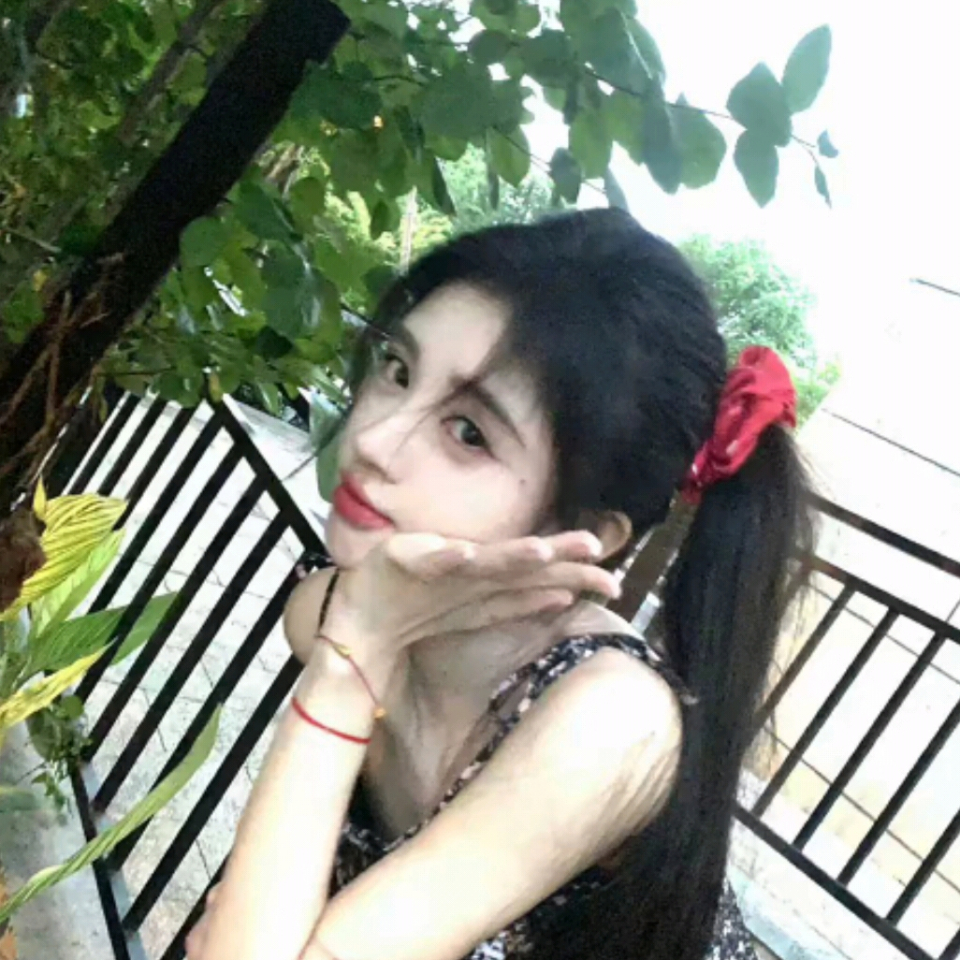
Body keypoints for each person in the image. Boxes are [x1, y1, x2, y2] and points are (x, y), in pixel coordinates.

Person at [186, 209, 811, 960]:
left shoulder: (610, 720)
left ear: (588, 532)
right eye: (398, 370)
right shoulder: (336, 605)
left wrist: (352, 658)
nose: (372, 439)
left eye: (469, 433)